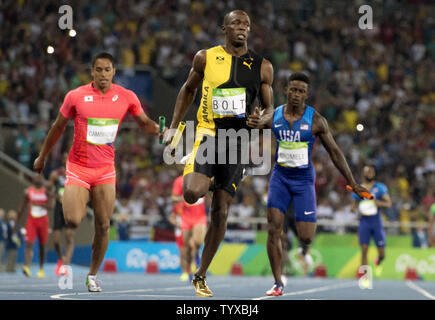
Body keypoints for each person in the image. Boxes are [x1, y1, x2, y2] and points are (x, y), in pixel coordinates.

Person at [164, 10, 274, 297]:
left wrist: (259, 120)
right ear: (224, 28)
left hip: (237, 141)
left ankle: (200, 274)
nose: (242, 28)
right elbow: (187, 90)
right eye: (236, 23)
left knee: (221, 210)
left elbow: (270, 110)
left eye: (247, 24)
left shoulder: (262, 67)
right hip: (208, 134)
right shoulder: (205, 57)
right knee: (191, 194)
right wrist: (174, 129)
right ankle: (206, 177)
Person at [33, 52, 164, 292]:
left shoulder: (126, 96)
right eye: (99, 70)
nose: (103, 74)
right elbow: (57, 127)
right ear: (91, 71)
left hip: (105, 171)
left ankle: (92, 275)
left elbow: (144, 123)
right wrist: (42, 156)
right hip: (78, 168)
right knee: (72, 219)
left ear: (114, 72)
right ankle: (79, 199)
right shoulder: (76, 96)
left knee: (104, 225)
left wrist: (159, 130)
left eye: (107, 70)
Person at [247, 72, 371, 296]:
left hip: (304, 182)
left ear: (306, 94)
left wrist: (353, 183)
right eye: (293, 89)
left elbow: (335, 152)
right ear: (286, 90)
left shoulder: (316, 121)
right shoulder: (274, 115)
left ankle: (302, 247)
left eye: (301, 91)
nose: (296, 94)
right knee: (274, 229)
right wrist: (252, 122)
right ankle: (278, 282)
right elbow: (255, 125)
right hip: (280, 179)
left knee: (306, 236)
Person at [351, 165, 392, 276]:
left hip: (376, 222)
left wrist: (379, 203)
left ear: (374, 173)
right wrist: (353, 208)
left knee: (382, 253)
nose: (369, 173)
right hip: (364, 222)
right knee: (364, 250)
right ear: (363, 174)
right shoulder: (358, 188)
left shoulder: (379, 187)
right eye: (367, 172)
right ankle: (365, 276)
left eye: (371, 172)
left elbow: (389, 203)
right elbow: (353, 206)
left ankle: (378, 260)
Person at [171, 174, 207, 282]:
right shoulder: (179, 180)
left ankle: (196, 259)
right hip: (186, 219)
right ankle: (187, 270)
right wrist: (184, 198)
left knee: (197, 242)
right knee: (186, 248)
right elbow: (173, 198)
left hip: (199, 217)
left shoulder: (204, 178)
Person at [16, 174, 52, 278]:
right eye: (36, 177)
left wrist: (40, 204)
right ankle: (26, 267)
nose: (38, 179)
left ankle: (41, 268)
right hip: (31, 220)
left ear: (42, 181)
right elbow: (22, 207)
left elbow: (51, 206)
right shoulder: (28, 191)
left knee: (42, 246)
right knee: (28, 244)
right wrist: (17, 221)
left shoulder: (46, 191)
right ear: (33, 180)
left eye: (40, 177)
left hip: (43, 220)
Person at [48, 153, 76, 276]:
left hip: (70, 208)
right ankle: (61, 258)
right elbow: (48, 190)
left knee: (69, 236)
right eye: (65, 158)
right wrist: (55, 196)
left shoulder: (76, 174)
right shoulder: (55, 175)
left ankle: (66, 265)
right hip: (59, 208)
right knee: (56, 240)